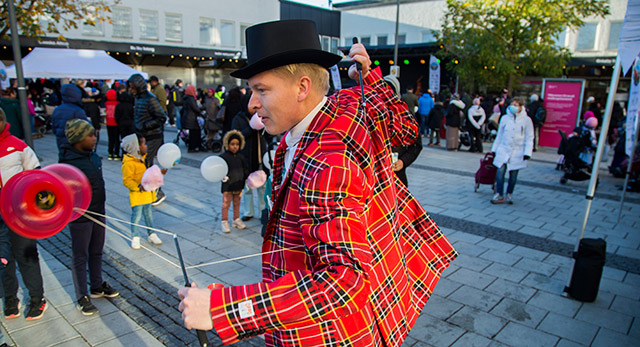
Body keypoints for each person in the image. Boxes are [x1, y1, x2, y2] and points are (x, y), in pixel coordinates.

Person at [178, 20, 456, 347]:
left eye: (261, 90)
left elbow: (344, 283)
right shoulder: (346, 106)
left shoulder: (326, 160)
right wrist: (368, 77)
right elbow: (403, 126)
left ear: (302, 87)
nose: (252, 104)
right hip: (375, 305)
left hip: (333, 335)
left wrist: (226, 309)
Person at [59, 119, 120, 315]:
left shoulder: (93, 157)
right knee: (80, 255)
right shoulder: (68, 163)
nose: (94, 138)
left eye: (94, 134)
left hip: (98, 211)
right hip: (80, 217)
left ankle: (96, 285)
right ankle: (81, 295)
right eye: (90, 135)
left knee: (96, 251)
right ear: (78, 139)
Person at [0, 108, 47, 321]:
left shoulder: (18, 146)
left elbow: (36, 175)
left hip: (19, 213)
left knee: (26, 255)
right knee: (4, 259)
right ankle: (10, 297)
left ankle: (37, 298)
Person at [127, 74, 167, 206]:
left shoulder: (151, 99)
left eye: (133, 87)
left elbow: (161, 117)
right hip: (142, 135)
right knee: (144, 164)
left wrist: (145, 126)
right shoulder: (138, 98)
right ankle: (152, 190)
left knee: (147, 164)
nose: (131, 90)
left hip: (152, 136)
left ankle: (157, 192)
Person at [120, 133, 164, 249]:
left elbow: (149, 174)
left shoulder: (143, 160)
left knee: (148, 215)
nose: (146, 146)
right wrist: (138, 187)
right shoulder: (128, 163)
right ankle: (135, 236)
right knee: (136, 216)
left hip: (147, 195)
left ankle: (151, 234)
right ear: (136, 147)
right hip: (137, 195)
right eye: (143, 144)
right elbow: (127, 181)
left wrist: (160, 173)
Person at [232, 92, 268, 221]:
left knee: (262, 186)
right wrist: (251, 128)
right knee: (247, 186)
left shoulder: (261, 116)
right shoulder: (238, 119)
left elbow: (269, 136)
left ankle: (263, 211)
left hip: (260, 156)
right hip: (245, 158)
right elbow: (236, 137)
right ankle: (248, 212)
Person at [490, 97, 534, 204]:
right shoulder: (505, 118)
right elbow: (499, 135)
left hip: (517, 151)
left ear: (521, 107)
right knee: (500, 173)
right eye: (512, 104)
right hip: (503, 149)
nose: (513, 106)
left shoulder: (526, 120)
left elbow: (529, 137)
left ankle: (509, 193)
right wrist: (494, 149)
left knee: (513, 175)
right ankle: (499, 194)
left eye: (516, 105)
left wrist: (527, 152)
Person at [384, 75, 423, 187]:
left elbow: (417, 145)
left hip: (397, 178)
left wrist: (403, 162)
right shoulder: (370, 113)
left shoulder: (405, 115)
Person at [219, 130, 249, 233]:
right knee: (226, 203)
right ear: (227, 144)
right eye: (232, 144)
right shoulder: (223, 157)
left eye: (237, 144)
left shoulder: (241, 156)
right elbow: (219, 169)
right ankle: (224, 221)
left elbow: (245, 169)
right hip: (228, 184)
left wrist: (246, 178)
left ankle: (236, 219)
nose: (235, 146)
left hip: (238, 183)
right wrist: (222, 176)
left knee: (237, 202)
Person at [52, 84, 89, 151]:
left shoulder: (57, 109)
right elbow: (87, 128)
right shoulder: (77, 111)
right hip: (74, 143)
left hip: (61, 142)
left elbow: (54, 127)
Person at [182, 85, 203, 153]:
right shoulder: (191, 98)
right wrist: (201, 112)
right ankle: (193, 147)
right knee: (195, 133)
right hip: (191, 119)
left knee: (193, 133)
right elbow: (195, 108)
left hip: (188, 118)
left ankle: (194, 146)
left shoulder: (186, 98)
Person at [104, 89, 120, 160]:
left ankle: (110, 153)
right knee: (116, 139)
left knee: (110, 139)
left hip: (109, 123)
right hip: (116, 123)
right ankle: (116, 153)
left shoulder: (106, 103)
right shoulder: (117, 103)